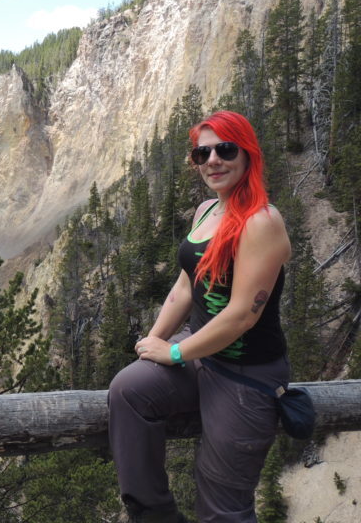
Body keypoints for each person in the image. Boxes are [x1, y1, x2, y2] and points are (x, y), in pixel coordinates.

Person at [107, 111, 292, 523]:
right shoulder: (207, 211)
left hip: (246, 374)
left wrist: (173, 353)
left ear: (247, 155)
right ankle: (154, 514)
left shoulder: (262, 222)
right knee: (129, 390)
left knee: (222, 507)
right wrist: (150, 346)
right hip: (201, 355)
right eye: (201, 153)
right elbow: (184, 288)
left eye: (225, 149)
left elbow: (242, 315)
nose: (212, 160)